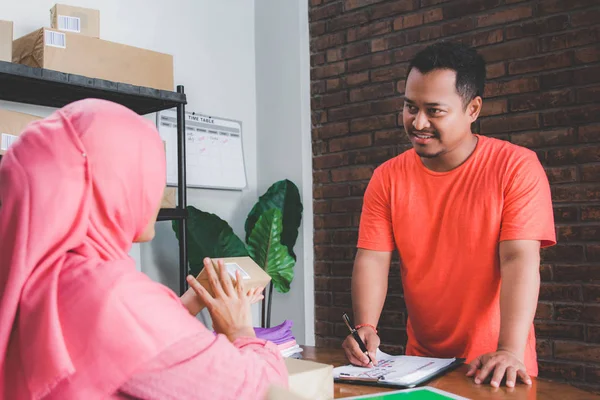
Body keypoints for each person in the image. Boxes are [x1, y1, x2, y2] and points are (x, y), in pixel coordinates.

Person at [0, 99, 287, 399]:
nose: (160, 194)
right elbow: (264, 391)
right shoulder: (115, 296)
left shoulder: (46, 279)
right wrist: (241, 330)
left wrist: (186, 304)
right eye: (150, 177)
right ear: (115, 183)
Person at [342, 41, 555, 389]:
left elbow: (520, 259)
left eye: (434, 111)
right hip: (419, 364)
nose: (418, 122)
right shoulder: (387, 177)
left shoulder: (516, 166)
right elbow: (372, 258)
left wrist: (510, 350)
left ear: (473, 109)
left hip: (498, 365)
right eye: (410, 107)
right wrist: (365, 327)